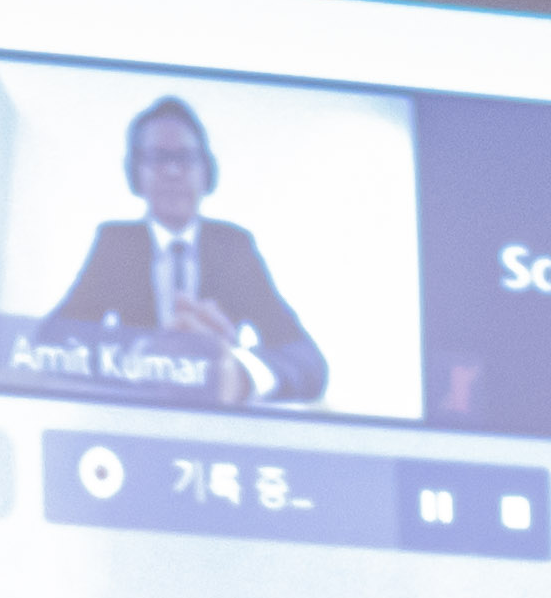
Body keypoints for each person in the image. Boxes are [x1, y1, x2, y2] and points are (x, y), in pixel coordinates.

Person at [34, 93, 329, 407]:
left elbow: (308, 361)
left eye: (186, 158)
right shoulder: (115, 244)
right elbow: (51, 340)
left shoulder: (235, 248)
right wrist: (144, 359)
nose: (173, 171)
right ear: (135, 173)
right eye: (158, 158)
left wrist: (240, 374)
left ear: (207, 171)